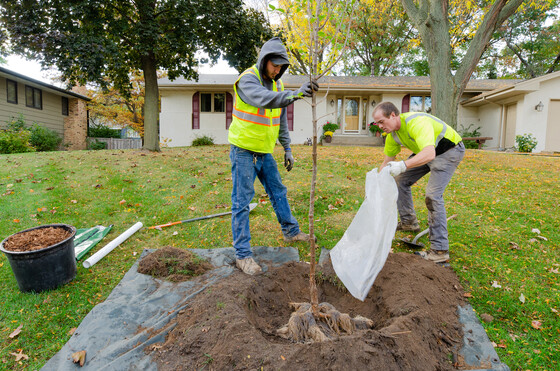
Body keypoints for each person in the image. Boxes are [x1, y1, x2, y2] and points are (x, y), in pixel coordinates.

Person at [228, 37, 319, 275]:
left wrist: (287, 148)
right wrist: (295, 95)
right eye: (274, 65)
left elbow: (280, 119)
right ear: (264, 60)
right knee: (242, 201)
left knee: (278, 190)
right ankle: (242, 255)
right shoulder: (248, 79)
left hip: (265, 151)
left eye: (282, 67)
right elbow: (264, 100)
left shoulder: (278, 85)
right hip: (244, 151)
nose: (278, 71)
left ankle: (291, 231)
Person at [373, 101, 465, 263]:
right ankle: (409, 222)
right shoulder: (393, 135)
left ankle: (440, 250)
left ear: (393, 115)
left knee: (433, 195)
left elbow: (429, 154)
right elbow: (387, 161)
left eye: (381, 121)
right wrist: (376, 185)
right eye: (377, 123)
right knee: (400, 179)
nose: (379, 126)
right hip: (427, 151)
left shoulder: (417, 122)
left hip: (449, 150)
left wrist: (403, 165)